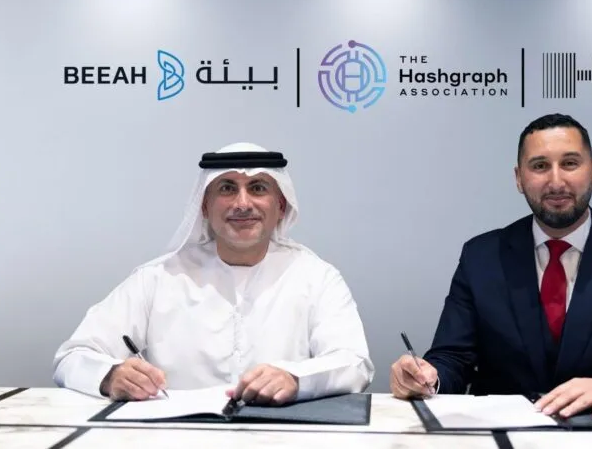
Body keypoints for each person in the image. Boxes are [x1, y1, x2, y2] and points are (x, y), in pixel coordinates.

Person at [390, 113, 592, 419]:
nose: (556, 181)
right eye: (540, 166)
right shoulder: (481, 257)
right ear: (519, 178)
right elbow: (452, 358)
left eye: (570, 163)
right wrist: (428, 376)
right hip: (502, 436)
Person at [53, 142, 374, 405]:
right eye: (227, 188)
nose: (243, 203)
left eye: (258, 188)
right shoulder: (156, 278)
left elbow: (353, 362)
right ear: (205, 207)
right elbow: (72, 357)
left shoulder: (317, 277)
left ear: (282, 207)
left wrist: (295, 378)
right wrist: (111, 376)